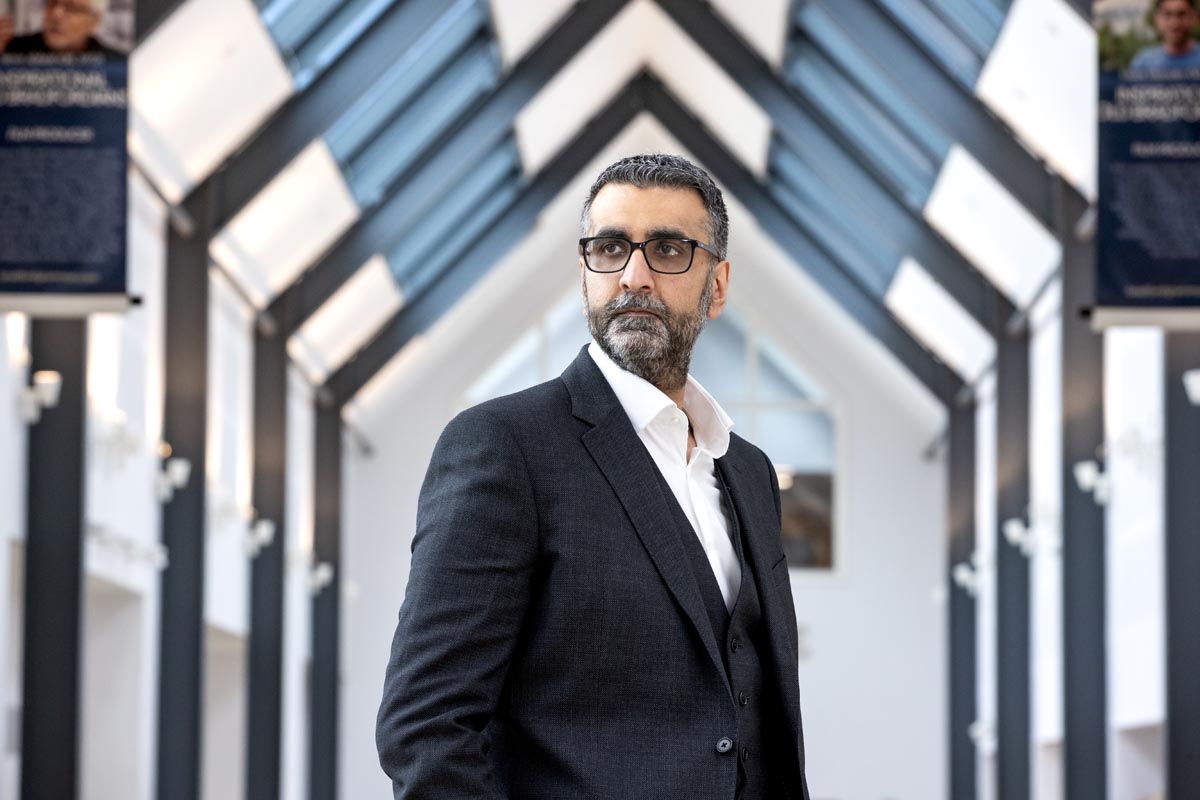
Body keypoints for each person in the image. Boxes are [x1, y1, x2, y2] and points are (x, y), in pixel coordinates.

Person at [376, 154, 810, 799]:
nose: (633, 277)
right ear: (585, 272)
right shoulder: (505, 445)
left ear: (717, 286)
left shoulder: (744, 470)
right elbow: (426, 725)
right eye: (610, 248)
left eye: (667, 249)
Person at [0, 0, 120, 57]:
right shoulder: (11, 48)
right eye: (52, 3)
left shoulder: (114, 62)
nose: (56, 14)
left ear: (94, 21)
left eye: (71, 8)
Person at [1130, 0, 1200, 71]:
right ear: (1157, 19)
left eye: (1181, 14)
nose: (1174, 23)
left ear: (1193, 18)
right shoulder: (1144, 63)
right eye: (1167, 14)